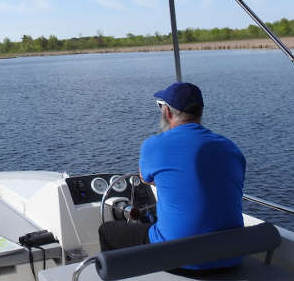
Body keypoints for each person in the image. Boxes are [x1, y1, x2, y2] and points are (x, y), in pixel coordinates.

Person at [98, 82, 246, 270]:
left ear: (166, 112)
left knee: (107, 231)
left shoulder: (155, 145)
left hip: (178, 258)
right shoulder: (230, 147)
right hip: (232, 255)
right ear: (199, 112)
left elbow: (145, 178)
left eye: (160, 106)